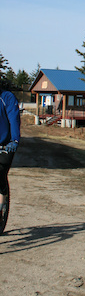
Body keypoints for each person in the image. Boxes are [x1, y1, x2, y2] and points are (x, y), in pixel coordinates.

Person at [0, 83, 21, 228]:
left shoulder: (6, 97)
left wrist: (14, 140)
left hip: (4, 145)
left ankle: (1, 205)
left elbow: (14, 119)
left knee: (0, 173)